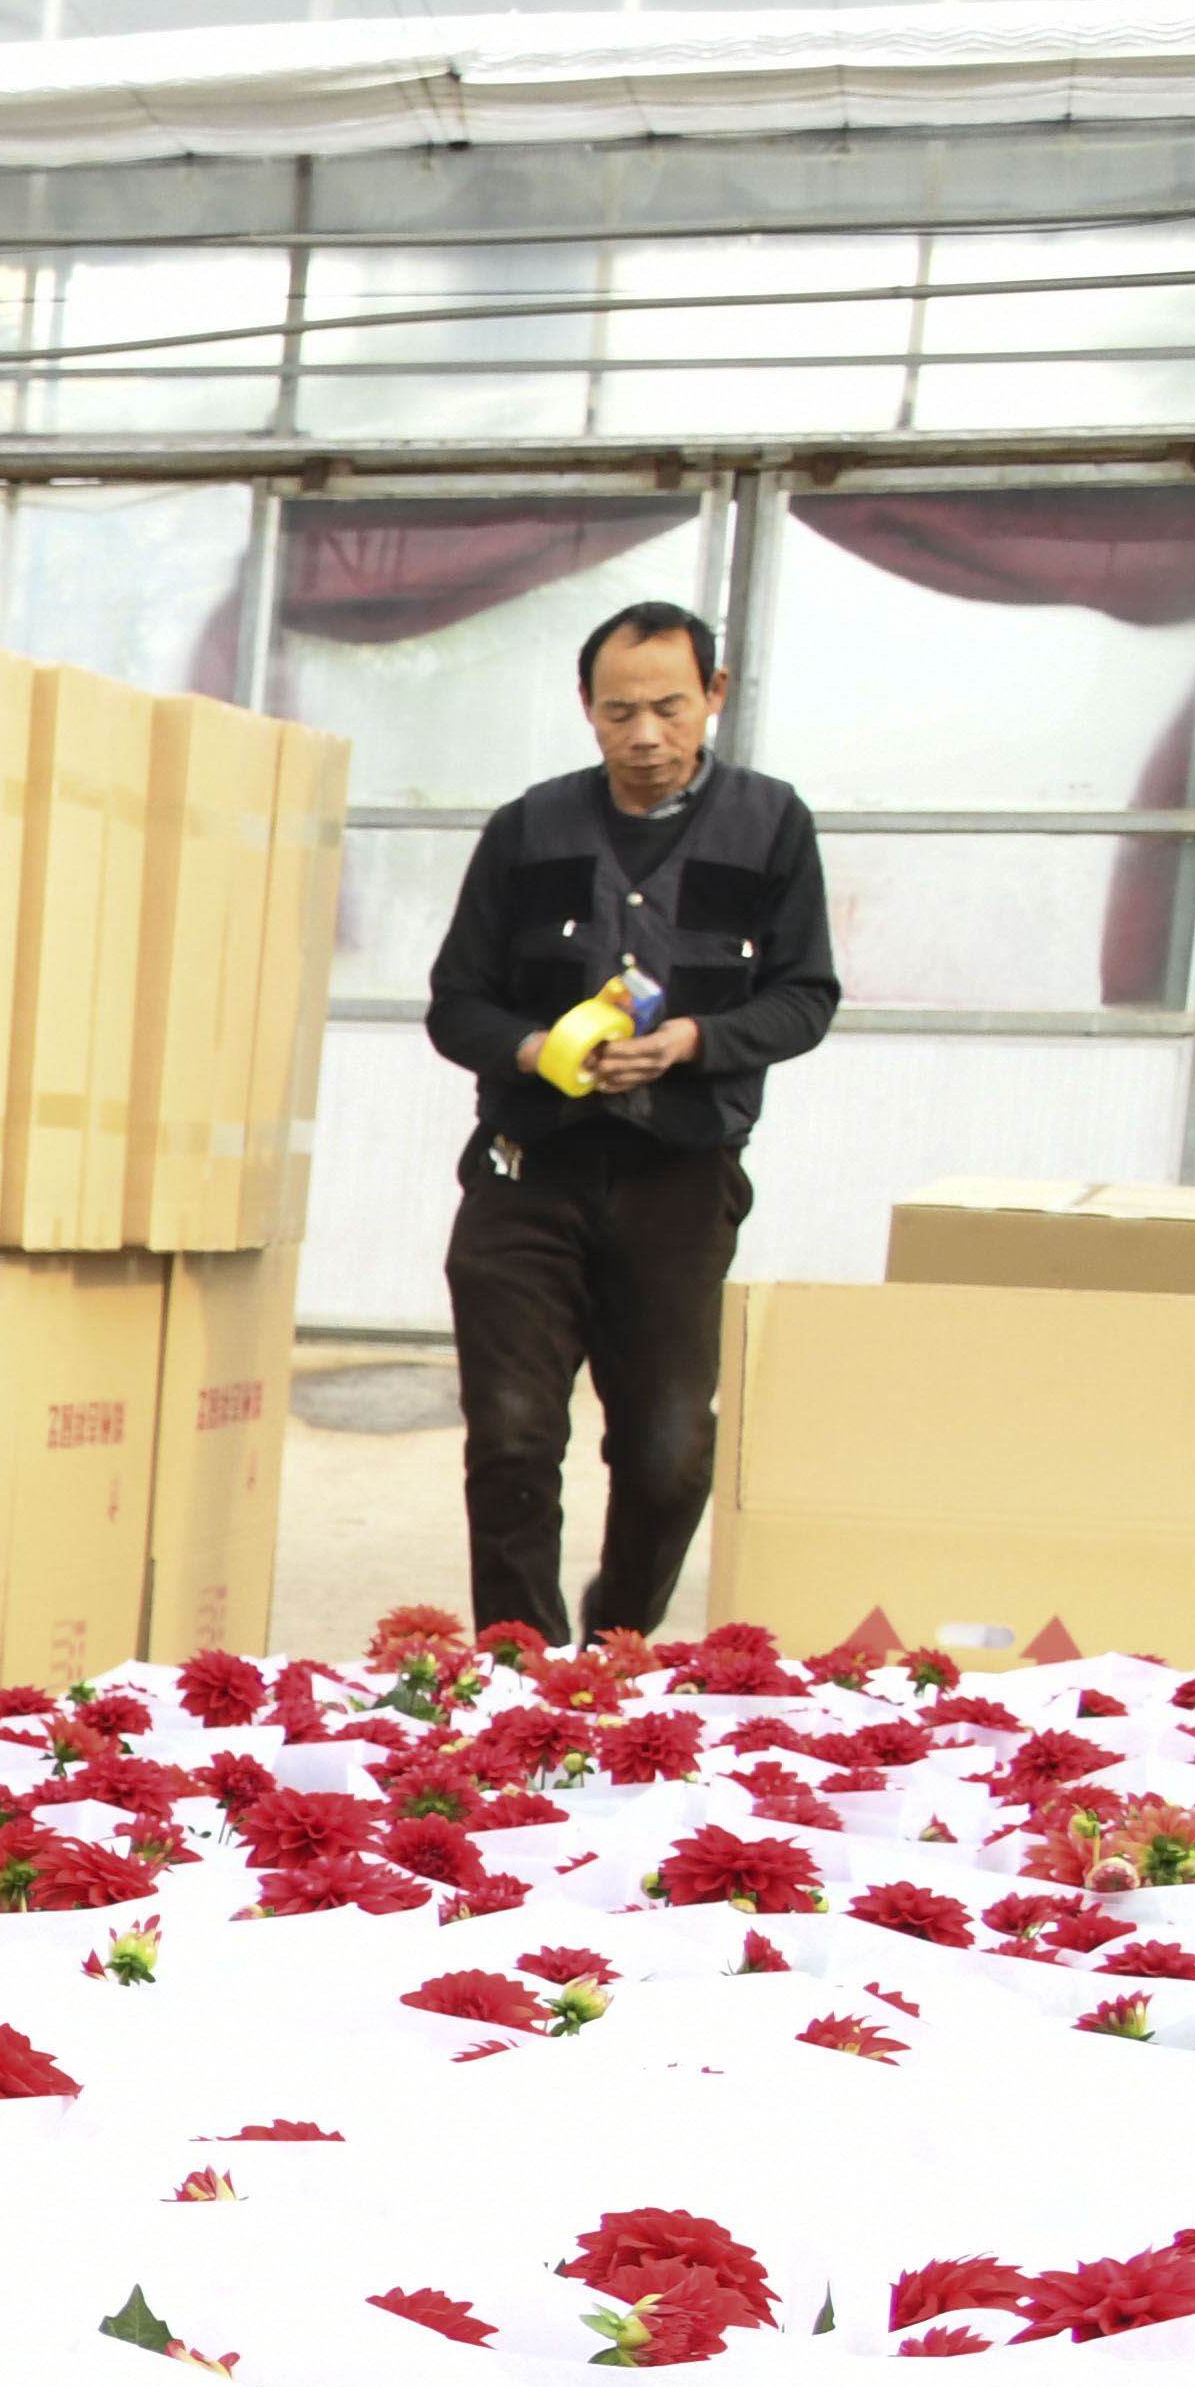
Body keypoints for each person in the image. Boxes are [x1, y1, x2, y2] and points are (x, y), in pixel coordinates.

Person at [422, 600, 841, 1638]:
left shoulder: (771, 824)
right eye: (618, 713)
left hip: (680, 1176)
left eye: (669, 707)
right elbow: (457, 1004)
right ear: (585, 706)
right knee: (512, 1439)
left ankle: (616, 1638)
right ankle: (520, 1662)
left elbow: (805, 996)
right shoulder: (528, 830)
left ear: (715, 694)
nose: (645, 735)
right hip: (529, 1167)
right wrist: (535, 1051)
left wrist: (692, 1041)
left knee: (668, 1451)